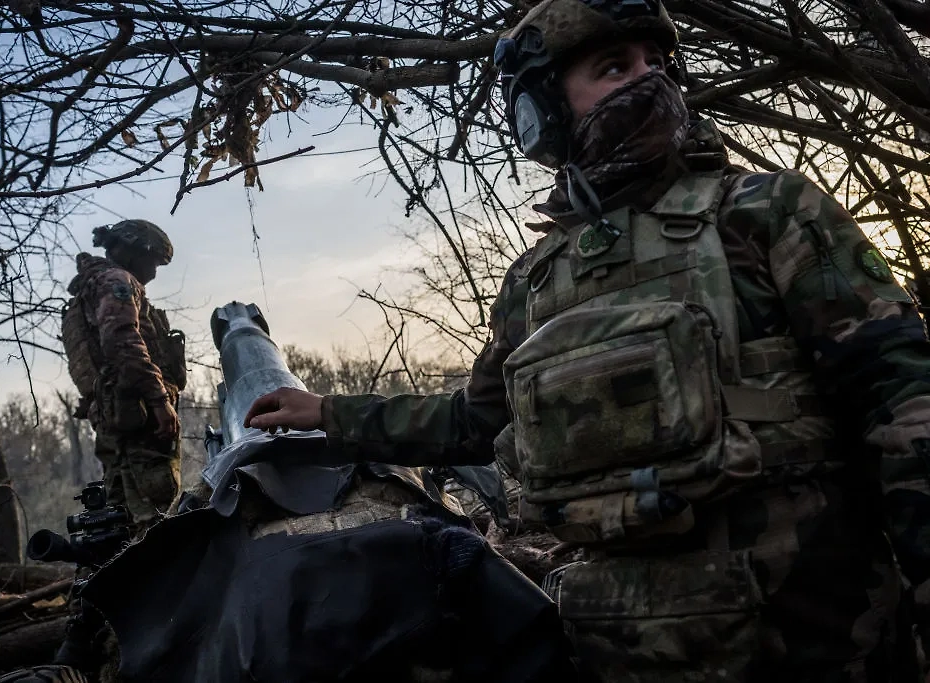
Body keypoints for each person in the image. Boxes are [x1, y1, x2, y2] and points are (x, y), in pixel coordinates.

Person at [243, 0, 930, 680]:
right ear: (542, 111)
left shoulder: (766, 210)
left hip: (821, 637)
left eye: (658, 62)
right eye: (612, 66)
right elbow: (473, 421)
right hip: (621, 645)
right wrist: (329, 414)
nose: (648, 79)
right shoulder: (535, 282)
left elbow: (901, 399)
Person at [62, 219, 186, 536]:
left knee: (122, 520)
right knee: (151, 519)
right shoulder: (117, 281)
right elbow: (122, 342)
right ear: (132, 252)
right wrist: (159, 400)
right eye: (153, 261)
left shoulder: (90, 289)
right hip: (138, 418)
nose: (155, 273)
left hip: (117, 421)